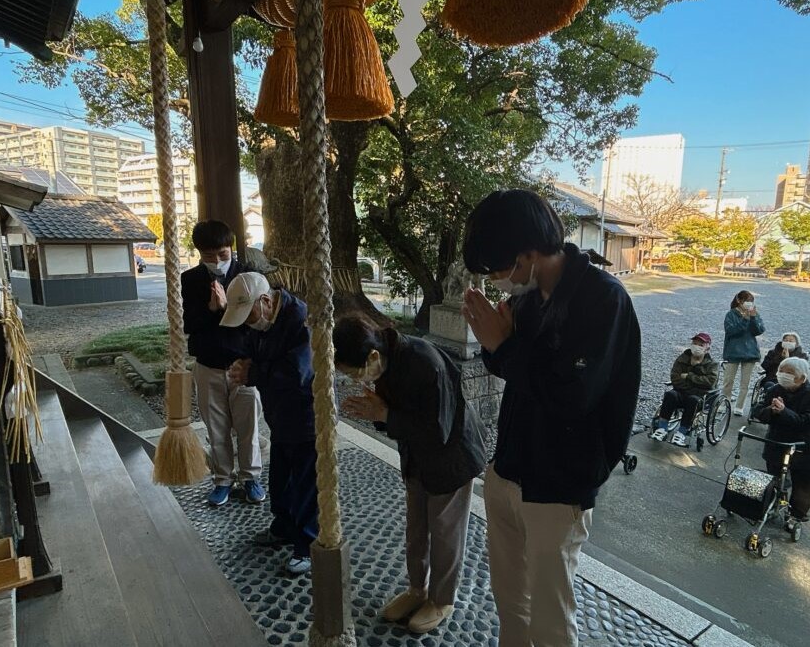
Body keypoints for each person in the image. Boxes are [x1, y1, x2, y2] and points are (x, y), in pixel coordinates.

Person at [460, 189, 641, 647]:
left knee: (550, 618)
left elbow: (573, 396)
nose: (497, 280)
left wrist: (503, 346)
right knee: (510, 604)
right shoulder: (528, 298)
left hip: (560, 485)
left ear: (529, 254)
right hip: (508, 471)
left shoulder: (603, 300)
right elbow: (512, 370)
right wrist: (495, 344)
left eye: (499, 269)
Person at [333, 315, 487, 634]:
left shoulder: (424, 364)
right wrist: (380, 413)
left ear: (372, 356)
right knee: (416, 528)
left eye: (356, 372)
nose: (359, 380)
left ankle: (442, 599)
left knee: (445, 533)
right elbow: (395, 418)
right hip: (418, 458)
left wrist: (385, 413)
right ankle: (417, 589)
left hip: (451, 460)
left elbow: (438, 431)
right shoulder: (385, 360)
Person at [222, 272, 318, 576]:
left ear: (265, 301)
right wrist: (242, 363)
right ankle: (283, 527)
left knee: (306, 484)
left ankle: (307, 545)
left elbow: (298, 372)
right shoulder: (261, 321)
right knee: (280, 478)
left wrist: (255, 373)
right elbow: (252, 352)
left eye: (249, 315)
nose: (248, 324)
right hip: (279, 416)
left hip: (306, 416)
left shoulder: (301, 318)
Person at [180, 220, 274, 507]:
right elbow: (188, 325)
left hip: (243, 365)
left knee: (248, 427)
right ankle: (222, 479)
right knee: (216, 427)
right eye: (210, 256)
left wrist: (228, 309)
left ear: (231, 249)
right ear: (199, 254)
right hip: (208, 365)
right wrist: (211, 309)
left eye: (223, 254)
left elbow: (258, 324)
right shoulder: (190, 279)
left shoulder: (247, 277)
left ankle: (251, 478)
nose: (218, 261)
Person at [751, 357, 810, 526]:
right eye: (782, 371)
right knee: (774, 475)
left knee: (803, 482)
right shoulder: (775, 389)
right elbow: (758, 411)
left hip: (804, 445)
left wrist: (784, 412)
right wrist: (771, 410)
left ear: (802, 377)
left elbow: (808, 422)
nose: (784, 375)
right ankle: (774, 504)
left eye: (790, 373)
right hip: (778, 441)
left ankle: (796, 515)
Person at [651, 332, 719, 447]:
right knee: (670, 395)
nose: (697, 346)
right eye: (695, 343)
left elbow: (710, 382)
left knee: (693, 400)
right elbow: (675, 378)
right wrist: (694, 385)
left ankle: (681, 433)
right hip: (681, 392)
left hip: (698, 396)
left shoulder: (712, 364)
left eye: (701, 345)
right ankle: (662, 429)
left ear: (708, 348)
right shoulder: (682, 359)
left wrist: (688, 376)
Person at [723, 290, 765, 416]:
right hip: (733, 351)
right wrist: (744, 319)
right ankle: (725, 402)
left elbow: (759, 330)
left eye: (751, 301)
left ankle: (739, 406)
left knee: (745, 383)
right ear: (739, 301)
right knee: (728, 380)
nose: (749, 303)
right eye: (747, 301)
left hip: (750, 352)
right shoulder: (731, 314)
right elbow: (731, 331)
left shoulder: (755, 314)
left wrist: (752, 318)